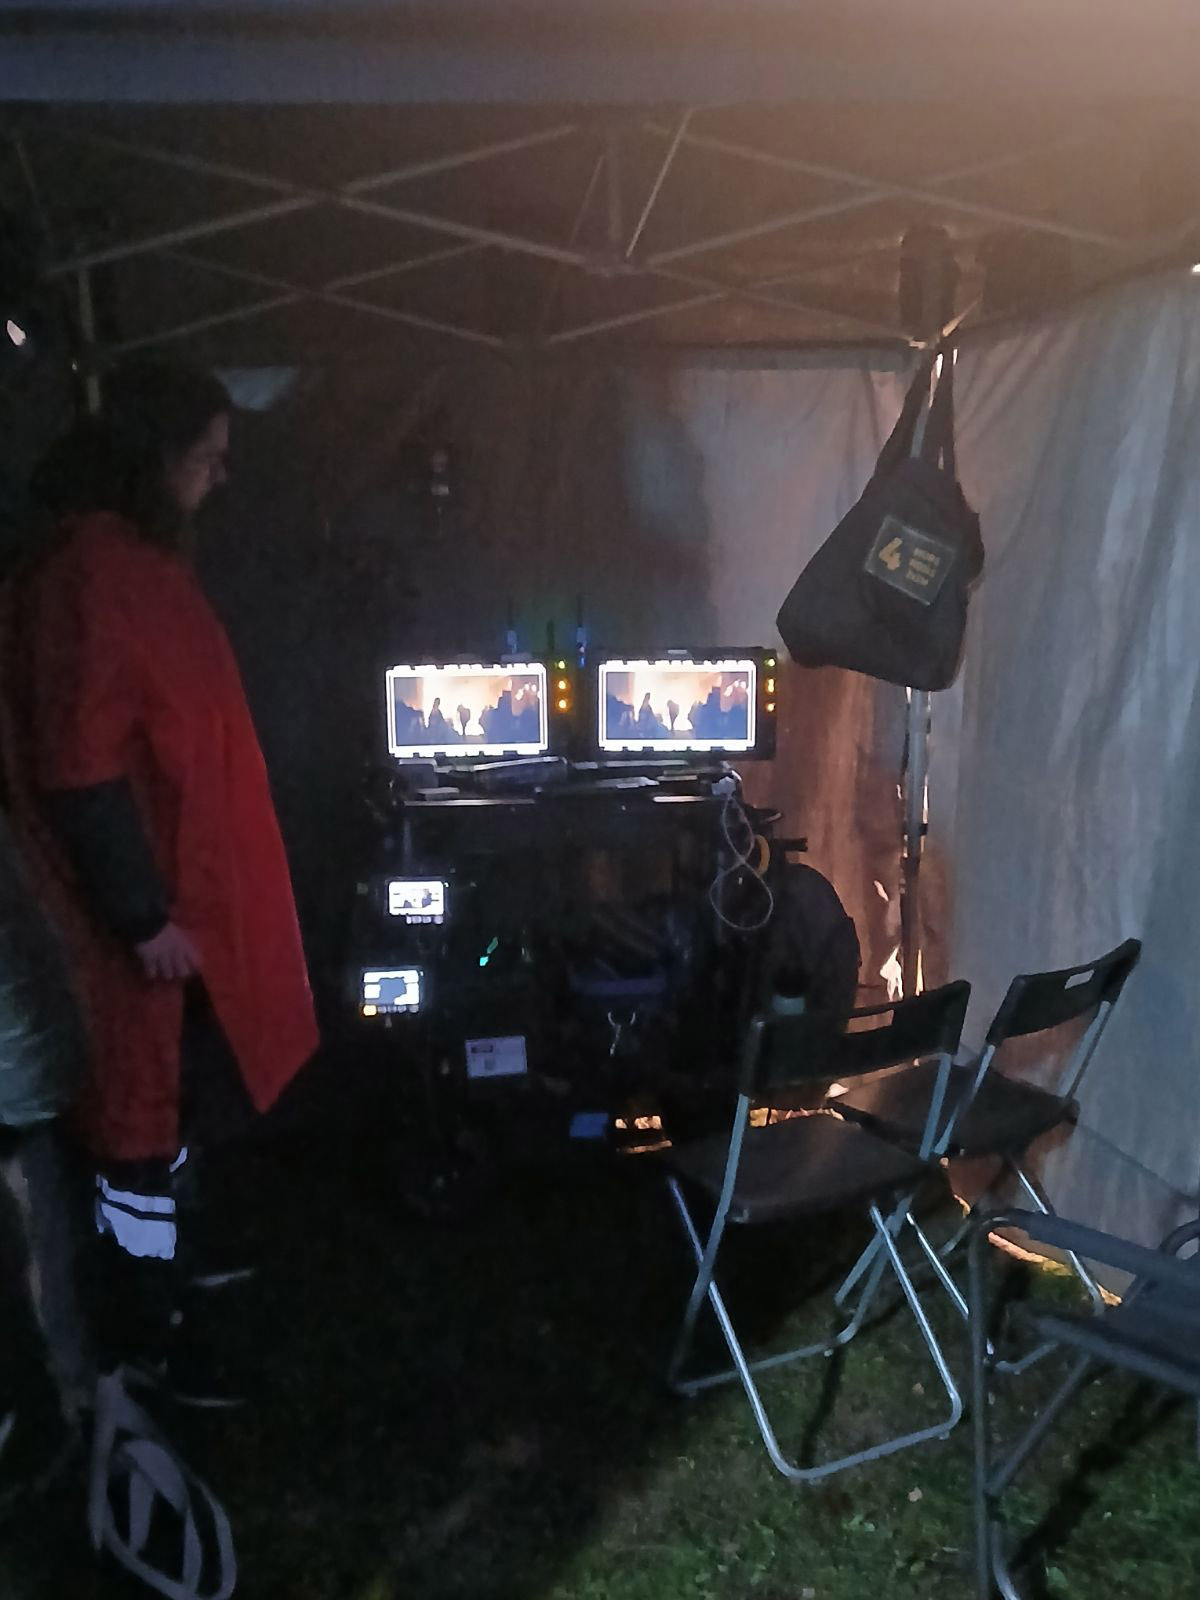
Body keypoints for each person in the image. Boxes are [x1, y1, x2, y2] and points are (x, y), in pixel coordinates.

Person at [0, 360, 318, 1404]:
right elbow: (77, 768)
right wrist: (141, 918)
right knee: (134, 1133)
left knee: (171, 1114)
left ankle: (173, 1270)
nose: (219, 479)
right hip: (134, 935)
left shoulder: (129, 562)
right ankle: (148, 1336)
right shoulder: (89, 575)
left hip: (186, 913)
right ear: (153, 457)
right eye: (207, 458)